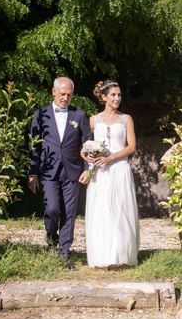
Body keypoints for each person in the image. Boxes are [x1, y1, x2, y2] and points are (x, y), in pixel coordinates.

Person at [28, 77, 91, 267]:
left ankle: (64, 252)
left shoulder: (79, 115)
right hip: (48, 170)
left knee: (69, 213)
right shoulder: (40, 114)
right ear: (53, 92)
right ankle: (51, 241)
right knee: (52, 209)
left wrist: (88, 169)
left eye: (69, 95)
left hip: (73, 171)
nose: (65, 98)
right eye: (62, 94)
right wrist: (33, 173)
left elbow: (88, 144)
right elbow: (34, 146)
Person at [84, 80, 139, 268]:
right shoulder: (93, 120)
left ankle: (122, 255)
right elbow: (84, 146)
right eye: (113, 95)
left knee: (120, 210)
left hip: (119, 169)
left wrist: (112, 157)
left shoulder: (126, 119)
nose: (117, 98)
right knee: (102, 211)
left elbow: (131, 146)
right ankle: (102, 256)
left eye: (119, 95)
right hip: (100, 172)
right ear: (104, 97)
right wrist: (85, 155)